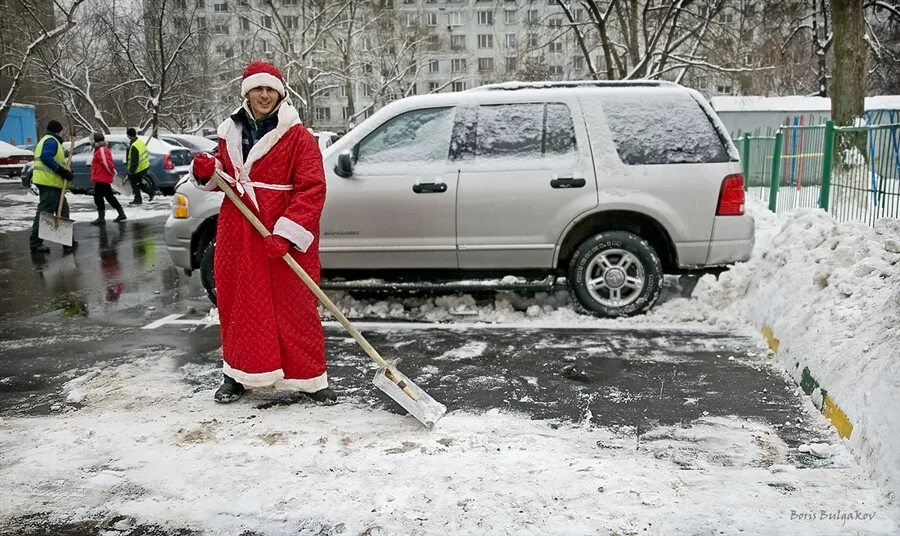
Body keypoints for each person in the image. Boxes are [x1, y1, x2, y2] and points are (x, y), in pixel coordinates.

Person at [191, 60, 333, 404]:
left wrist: (287, 233)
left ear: (280, 93)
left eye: (270, 89)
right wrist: (207, 170)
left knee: (295, 306)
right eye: (258, 88)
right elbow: (220, 174)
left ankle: (310, 379)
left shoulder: (299, 137)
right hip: (239, 234)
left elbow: (312, 189)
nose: (264, 95)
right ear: (247, 92)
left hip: (282, 235)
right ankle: (237, 376)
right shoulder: (229, 132)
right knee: (240, 305)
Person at [29, 119, 77, 254]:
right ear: (59, 130)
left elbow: (57, 160)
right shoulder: (51, 141)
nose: (62, 133)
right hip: (48, 182)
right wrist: (61, 171)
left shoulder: (49, 140)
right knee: (45, 212)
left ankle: (66, 239)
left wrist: (66, 171)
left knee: (64, 211)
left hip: (54, 184)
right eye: (62, 131)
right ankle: (35, 242)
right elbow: (46, 157)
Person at [89, 133, 127, 225]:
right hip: (102, 177)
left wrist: (112, 174)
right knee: (109, 196)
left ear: (95, 141)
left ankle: (101, 218)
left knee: (98, 197)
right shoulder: (100, 149)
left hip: (102, 178)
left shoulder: (101, 150)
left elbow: (107, 164)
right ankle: (121, 214)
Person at [125, 127, 154, 205]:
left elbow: (134, 161)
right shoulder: (139, 142)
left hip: (138, 168)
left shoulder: (134, 145)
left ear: (129, 135)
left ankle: (138, 199)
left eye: (127, 135)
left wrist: (131, 172)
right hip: (143, 167)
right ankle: (150, 192)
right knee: (138, 183)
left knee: (134, 184)